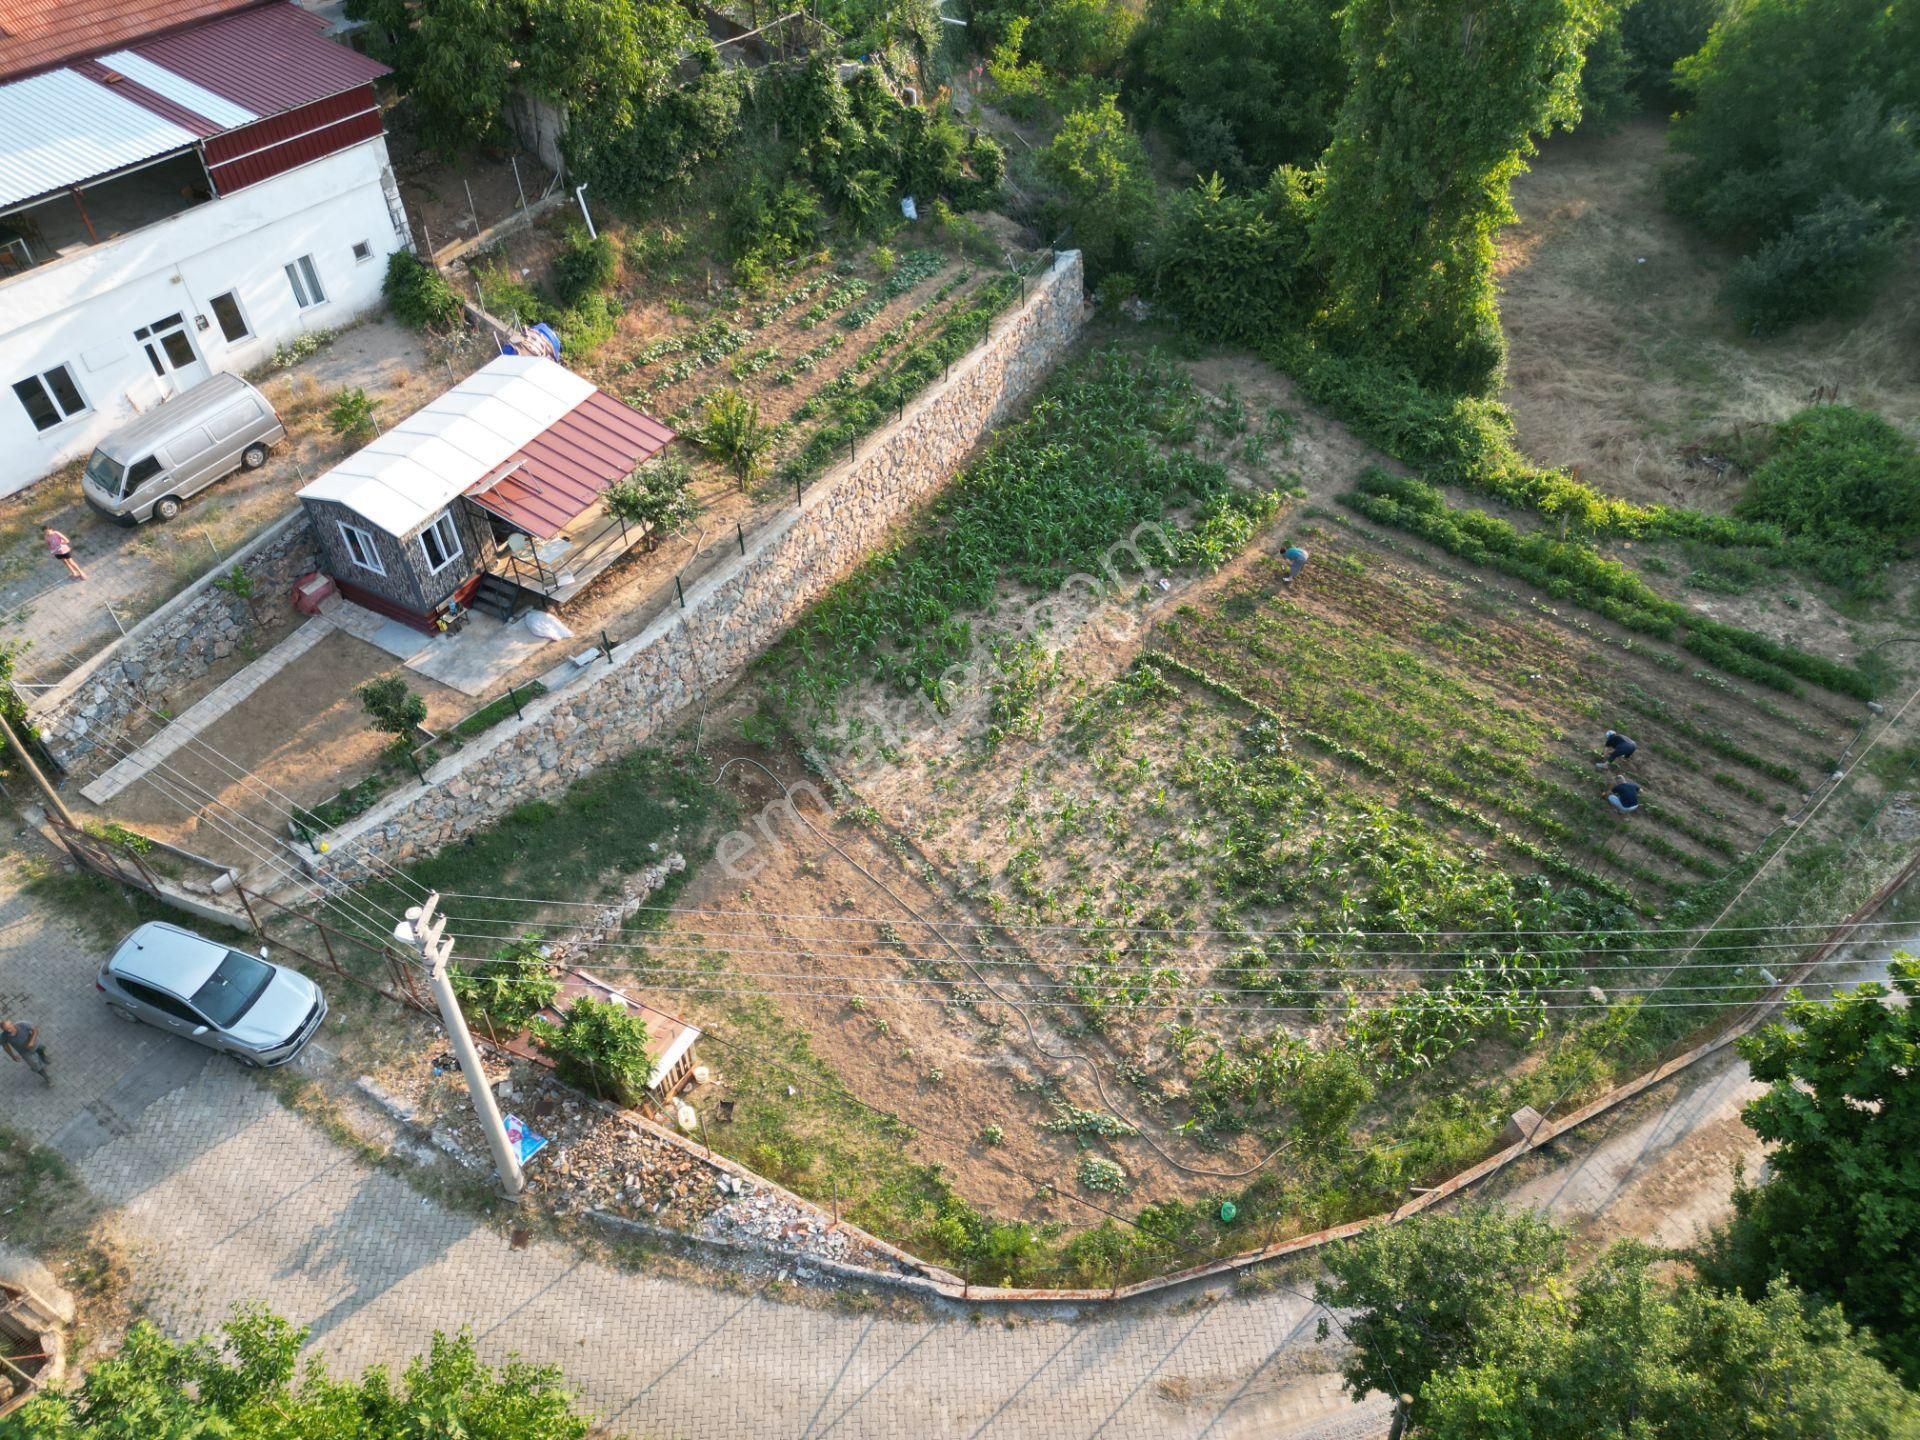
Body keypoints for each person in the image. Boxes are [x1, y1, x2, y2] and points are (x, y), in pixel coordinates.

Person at [1, 1018, 50, 1086]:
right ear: (3, 1030)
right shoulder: (3, 1036)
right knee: (35, 1065)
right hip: (24, 1052)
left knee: (41, 1049)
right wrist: (12, 1056)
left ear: (12, 1023)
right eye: (6, 1029)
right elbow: (6, 1047)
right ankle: (47, 1078)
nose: (9, 1030)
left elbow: (35, 1030)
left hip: (35, 1044)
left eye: (9, 1027)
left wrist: (32, 1041)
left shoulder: (23, 1024)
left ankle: (43, 1057)